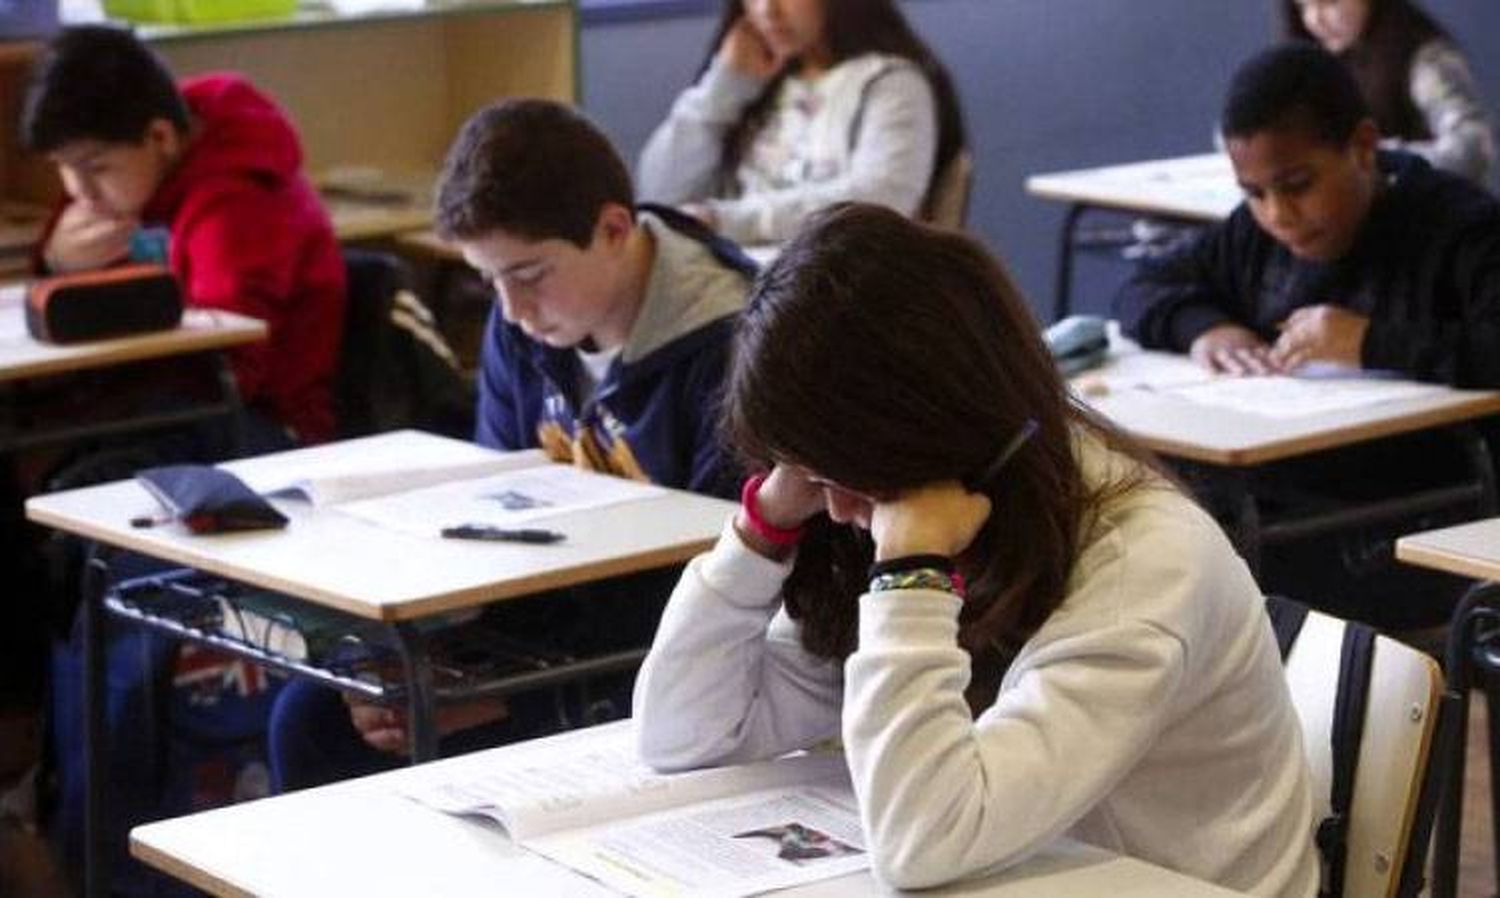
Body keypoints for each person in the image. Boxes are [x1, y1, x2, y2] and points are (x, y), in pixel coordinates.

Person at [634, 203, 1318, 897]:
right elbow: (683, 737)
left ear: (924, 430)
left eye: (843, 475)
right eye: (815, 479)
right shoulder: (926, 512)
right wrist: (763, 530)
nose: (836, 509)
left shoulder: (1141, 564)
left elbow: (924, 842)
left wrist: (908, 581)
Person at [268, 99, 755, 791]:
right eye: (487, 280)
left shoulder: (733, 350)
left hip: (662, 656)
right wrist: (434, 658)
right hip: (545, 623)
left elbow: (732, 585)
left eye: (528, 276)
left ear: (614, 228)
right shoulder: (526, 328)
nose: (511, 312)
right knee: (317, 717)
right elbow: (501, 516)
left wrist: (515, 693)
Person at [1114, 42, 1500, 629]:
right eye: (1254, 192)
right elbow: (1144, 286)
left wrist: (1370, 342)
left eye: (1297, 184)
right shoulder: (1255, 236)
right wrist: (1205, 328)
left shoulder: (1458, 227)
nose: (1277, 213)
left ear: (1364, 148)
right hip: (1287, 489)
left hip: (1416, 500)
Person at [22, 25, 346, 446]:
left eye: (96, 168)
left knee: (72, 473)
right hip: (162, 406)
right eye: (61, 167)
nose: (78, 191)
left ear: (161, 138)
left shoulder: (236, 204)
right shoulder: (128, 178)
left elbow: (228, 367)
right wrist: (55, 266)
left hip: (263, 424)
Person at [637, 0, 966, 246]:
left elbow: (881, 201)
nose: (768, 9)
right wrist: (723, 87)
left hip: (832, 295)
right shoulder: (754, 84)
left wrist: (728, 222)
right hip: (731, 289)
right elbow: (659, 196)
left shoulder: (891, 83)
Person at [1280, 0, 1496, 184]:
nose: (1315, 19)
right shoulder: (1322, 62)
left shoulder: (1424, 58)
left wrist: (1376, 159)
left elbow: (1474, 149)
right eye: (1304, 5)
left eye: (1330, 1)